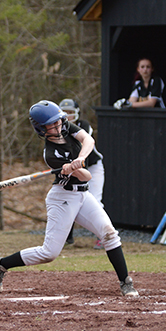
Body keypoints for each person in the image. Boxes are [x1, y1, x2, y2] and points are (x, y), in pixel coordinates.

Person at [0, 100, 138, 297]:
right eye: (52, 124)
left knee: (109, 233)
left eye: (58, 121)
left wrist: (79, 159)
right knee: (49, 253)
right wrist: (75, 168)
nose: (58, 125)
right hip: (63, 198)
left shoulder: (66, 126)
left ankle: (125, 282)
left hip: (83, 195)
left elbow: (89, 141)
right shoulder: (52, 154)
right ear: (41, 129)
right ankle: (1, 265)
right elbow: (87, 176)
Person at [59, 99, 105, 249]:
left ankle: (103, 236)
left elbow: (85, 142)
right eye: (65, 113)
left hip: (92, 167)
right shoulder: (56, 130)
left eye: (71, 113)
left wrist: (79, 159)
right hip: (72, 169)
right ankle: (67, 237)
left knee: (95, 201)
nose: (68, 116)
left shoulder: (83, 126)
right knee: (68, 199)